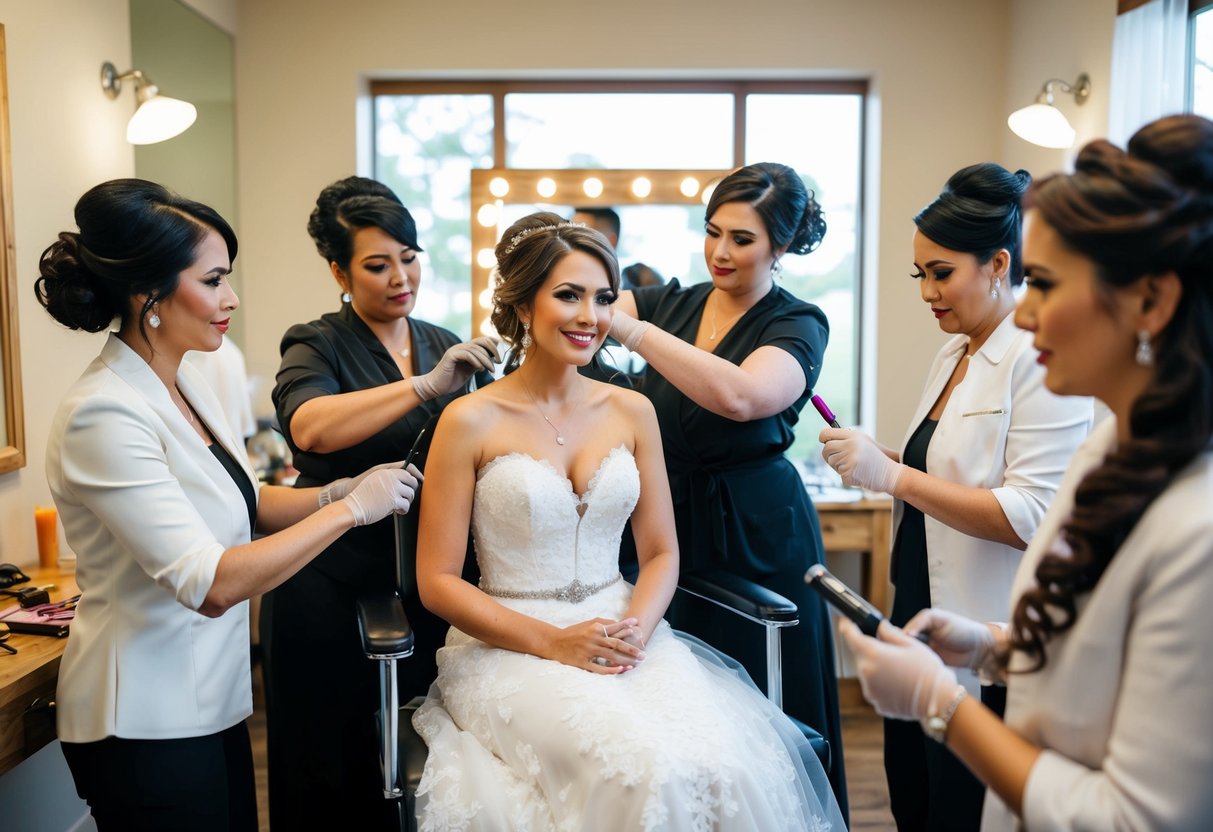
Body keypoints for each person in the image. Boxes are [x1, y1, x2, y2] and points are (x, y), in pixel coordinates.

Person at [410, 212, 846, 830]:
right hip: (509, 646)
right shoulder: (469, 419)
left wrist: (637, 629)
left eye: (603, 298)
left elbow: (662, 551)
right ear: (522, 305)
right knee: (639, 770)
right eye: (568, 295)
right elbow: (438, 582)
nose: (591, 315)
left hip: (627, 631)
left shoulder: (634, 410)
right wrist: (555, 641)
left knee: (721, 764)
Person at [841, 114, 1213, 831]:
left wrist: (941, 703)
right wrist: (991, 643)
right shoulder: (1105, 455)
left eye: (1041, 282)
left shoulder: (1195, 530)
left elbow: (1137, 817)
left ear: (1151, 300)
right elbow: (1095, 643)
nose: (1027, 315)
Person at [36, 179, 417, 830]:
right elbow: (209, 583)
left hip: (211, 700)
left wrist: (333, 490)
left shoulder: (181, 380)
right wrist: (348, 513)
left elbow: (240, 498)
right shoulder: (102, 413)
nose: (230, 299)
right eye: (213, 281)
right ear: (147, 294)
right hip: (145, 719)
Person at [818, 163, 1092, 830]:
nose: (926, 292)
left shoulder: (1035, 359)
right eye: (920, 275)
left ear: (998, 263)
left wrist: (894, 478)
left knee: (958, 804)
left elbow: (1033, 514)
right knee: (910, 784)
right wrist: (876, 454)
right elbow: (933, 466)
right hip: (918, 593)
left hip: (982, 618)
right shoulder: (953, 353)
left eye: (940, 273)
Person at [606, 161, 848, 811]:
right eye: (712, 232)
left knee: (765, 714)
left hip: (757, 530)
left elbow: (743, 397)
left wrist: (632, 331)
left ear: (782, 245)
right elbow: (581, 315)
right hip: (666, 524)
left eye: (740, 239)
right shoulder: (669, 303)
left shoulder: (796, 322)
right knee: (677, 714)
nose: (719, 252)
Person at [264, 176, 498, 830]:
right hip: (329, 584)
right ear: (338, 270)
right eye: (377, 264)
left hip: (425, 585)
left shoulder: (438, 338)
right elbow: (309, 426)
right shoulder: (315, 342)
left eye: (410, 257)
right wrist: (427, 386)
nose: (401, 276)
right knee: (331, 771)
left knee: (420, 765)